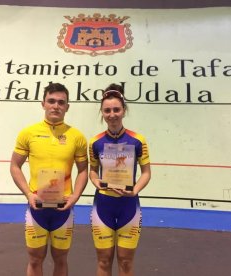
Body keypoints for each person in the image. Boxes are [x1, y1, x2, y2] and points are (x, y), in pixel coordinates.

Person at [10, 82, 88, 276]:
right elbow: (14, 166)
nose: (56, 106)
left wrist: (75, 196)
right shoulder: (28, 133)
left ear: (67, 107)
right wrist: (28, 193)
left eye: (61, 102)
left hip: (63, 208)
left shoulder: (77, 136)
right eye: (51, 101)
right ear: (43, 104)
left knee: (61, 259)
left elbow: (84, 170)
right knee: (35, 259)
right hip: (37, 207)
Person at [89, 83, 151, 276]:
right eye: (107, 110)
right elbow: (92, 171)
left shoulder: (137, 140)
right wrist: (95, 181)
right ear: (102, 112)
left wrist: (135, 189)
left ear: (124, 111)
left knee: (125, 262)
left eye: (116, 109)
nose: (112, 114)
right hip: (103, 207)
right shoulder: (95, 142)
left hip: (129, 207)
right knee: (104, 261)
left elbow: (146, 172)